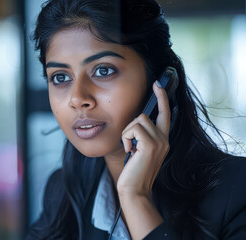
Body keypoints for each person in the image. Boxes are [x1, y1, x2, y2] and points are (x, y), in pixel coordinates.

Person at [27, 0, 246, 239]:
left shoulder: (235, 190)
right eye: (60, 77)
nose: (77, 98)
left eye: (103, 70)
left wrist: (135, 198)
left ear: (161, 82)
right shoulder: (62, 193)